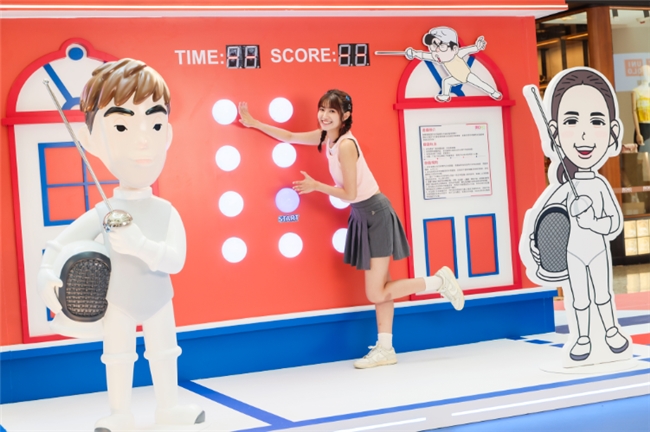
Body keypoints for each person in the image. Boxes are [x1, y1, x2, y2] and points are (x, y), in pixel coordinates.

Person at [238, 89, 465, 369]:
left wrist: (316, 186)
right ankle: (386, 349)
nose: (324, 115)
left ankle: (439, 282)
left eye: (332, 111)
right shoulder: (327, 137)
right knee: (383, 289)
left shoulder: (346, 145)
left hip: (375, 214)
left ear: (345, 116)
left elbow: (350, 193)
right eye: (322, 109)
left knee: (376, 293)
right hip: (363, 215)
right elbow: (290, 136)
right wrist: (254, 122)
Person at [37, 59, 204, 431]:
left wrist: (139, 244)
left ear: (167, 134)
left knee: (165, 352)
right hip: (118, 300)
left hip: (160, 298)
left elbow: (175, 261)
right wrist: (47, 273)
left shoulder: (166, 211)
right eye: (122, 126)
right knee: (117, 356)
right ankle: (119, 414)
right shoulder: (103, 211)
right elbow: (59, 245)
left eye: (155, 125)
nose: (143, 140)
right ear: (90, 141)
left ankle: (168, 408)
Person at [528, 68, 629, 362]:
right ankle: (583, 337)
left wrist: (593, 222)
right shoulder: (562, 190)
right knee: (579, 297)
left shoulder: (599, 185)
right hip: (573, 252)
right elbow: (546, 223)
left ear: (612, 133)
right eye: (571, 121)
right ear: (555, 133)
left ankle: (611, 330)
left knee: (603, 293)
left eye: (596, 121)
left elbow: (613, 223)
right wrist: (538, 244)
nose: (584, 134)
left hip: (597, 249)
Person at [403, 26, 502, 102]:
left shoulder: (458, 53)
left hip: (467, 75)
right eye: (434, 46)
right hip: (456, 77)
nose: (437, 50)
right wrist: (414, 53)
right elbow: (423, 55)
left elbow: (470, 49)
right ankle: (445, 96)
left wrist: (477, 47)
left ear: (454, 48)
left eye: (442, 46)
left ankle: (494, 93)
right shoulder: (438, 57)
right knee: (446, 81)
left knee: (480, 83)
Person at [632, 64, 650, 153]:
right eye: (645, 73)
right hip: (642, 127)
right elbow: (634, 111)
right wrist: (638, 133)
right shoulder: (635, 91)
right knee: (642, 155)